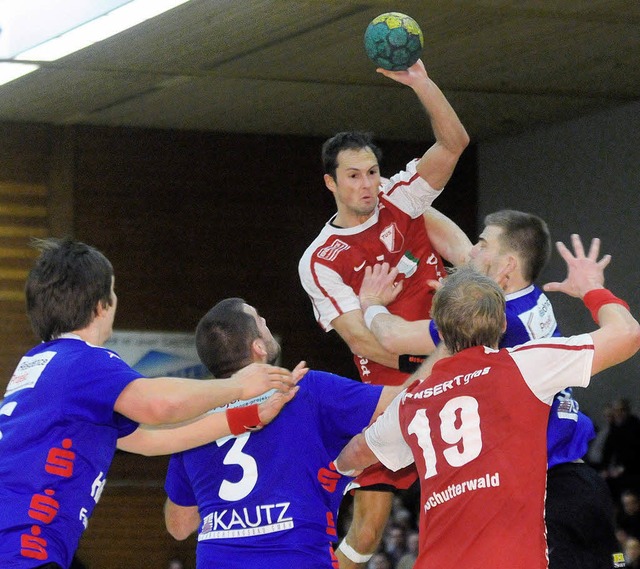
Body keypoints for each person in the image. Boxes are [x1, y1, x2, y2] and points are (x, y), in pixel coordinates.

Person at [334, 235, 640, 569]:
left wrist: (336, 469)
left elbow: (359, 452)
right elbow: (626, 335)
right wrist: (592, 288)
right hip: (518, 549)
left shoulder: (412, 402)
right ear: (503, 322)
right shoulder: (523, 366)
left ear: (438, 325)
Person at [0, 238, 301, 569]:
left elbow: (151, 440)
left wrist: (245, 417)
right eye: (113, 292)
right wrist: (237, 387)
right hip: (22, 551)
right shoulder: (83, 362)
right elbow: (160, 406)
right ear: (101, 305)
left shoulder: (40, 364)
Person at [298, 58, 470, 568]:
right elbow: (365, 343)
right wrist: (445, 338)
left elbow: (453, 144)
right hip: (392, 389)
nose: (367, 185)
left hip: (450, 372)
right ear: (330, 182)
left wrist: (421, 82)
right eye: (353, 176)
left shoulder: (401, 197)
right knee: (369, 527)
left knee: (464, 494)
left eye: (372, 172)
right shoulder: (320, 260)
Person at [163, 298, 411, 569]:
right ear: (257, 347)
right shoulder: (305, 390)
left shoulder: (195, 424)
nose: (266, 322)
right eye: (259, 319)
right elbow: (409, 400)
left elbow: (179, 525)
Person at [601, 398, 640, 498]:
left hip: (632, 469)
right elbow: (608, 449)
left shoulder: (635, 426)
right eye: (616, 411)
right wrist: (605, 468)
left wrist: (623, 468)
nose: (618, 413)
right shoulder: (614, 427)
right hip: (617, 467)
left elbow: (634, 451)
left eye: (621, 410)